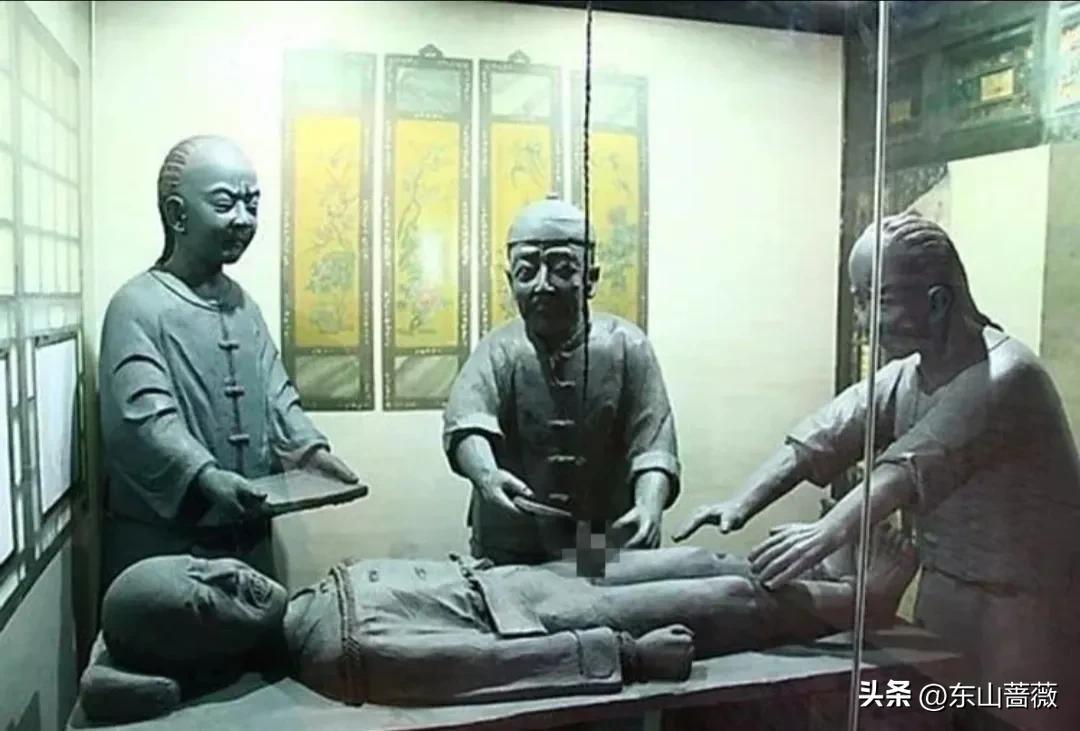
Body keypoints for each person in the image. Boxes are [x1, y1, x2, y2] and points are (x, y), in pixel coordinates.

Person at [675, 212, 1080, 731]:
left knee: (1009, 719)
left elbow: (907, 467)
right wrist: (742, 502)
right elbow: (828, 431)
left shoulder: (1008, 377)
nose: (864, 320)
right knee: (933, 717)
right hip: (944, 594)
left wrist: (824, 534)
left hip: (1023, 611)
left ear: (938, 302)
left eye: (878, 301)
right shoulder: (909, 374)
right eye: (859, 300)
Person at [78, 525, 916, 723]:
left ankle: (833, 583)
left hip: (531, 572)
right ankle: (858, 604)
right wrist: (626, 655)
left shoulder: (314, 597)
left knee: (698, 557)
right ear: (212, 653)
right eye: (207, 602)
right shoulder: (342, 653)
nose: (228, 575)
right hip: (542, 617)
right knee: (723, 601)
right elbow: (482, 666)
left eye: (202, 565)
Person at [99, 135, 358, 588]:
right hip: (167, 548)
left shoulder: (244, 306)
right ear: (177, 214)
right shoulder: (136, 306)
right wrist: (204, 477)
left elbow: (276, 395)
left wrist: (312, 453)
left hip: (248, 535)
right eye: (225, 204)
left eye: (251, 204)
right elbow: (143, 422)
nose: (243, 219)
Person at [443, 195, 679, 565]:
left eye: (562, 270)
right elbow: (467, 422)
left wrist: (649, 505)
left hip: (596, 536)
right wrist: (486, 475)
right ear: (510, 280)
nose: (543, 286)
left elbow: (653, 442)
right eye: (526, 273)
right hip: (513, 541)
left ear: (591, 279)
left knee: (592, 595)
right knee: (512, 601)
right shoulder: (500, 349)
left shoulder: (626, 346)